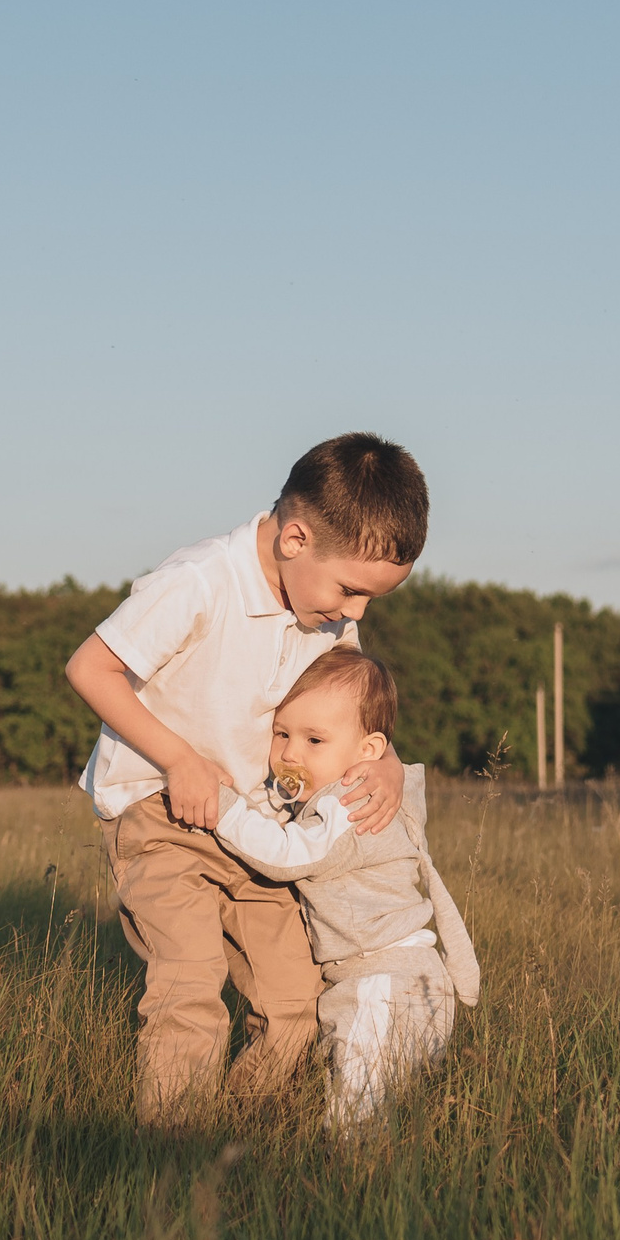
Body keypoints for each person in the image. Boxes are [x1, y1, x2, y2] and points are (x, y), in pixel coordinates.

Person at [64, 433, 425, 1125]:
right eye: (351, 589)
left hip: (257, 827)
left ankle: (239, 1130)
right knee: (192, 986)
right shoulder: (200, 581)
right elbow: (90, 668)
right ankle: (172, 1148)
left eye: (372, 599)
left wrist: (385, 763)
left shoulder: (326, 619)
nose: (357, 614)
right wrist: (179, 757)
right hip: (160, 811)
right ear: (295, 538)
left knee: (296, 998)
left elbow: (350, 716)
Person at [206, 648, 480, 1129]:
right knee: (397, 1102)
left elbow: (289, 854)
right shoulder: (371, 792)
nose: (291, 753)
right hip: (406, 975)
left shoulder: (351, 807)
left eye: (315, 739)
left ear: (368, 751)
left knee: (359, 1113)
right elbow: (294, 806)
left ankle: (353, 1187)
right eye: (282, 734)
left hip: (379, 979)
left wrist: (224, 806)